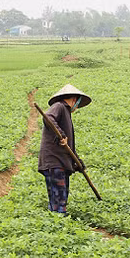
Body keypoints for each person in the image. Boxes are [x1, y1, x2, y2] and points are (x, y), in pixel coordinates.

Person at [38, 84, 92, 214]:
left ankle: (56, 221)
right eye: (77, 103)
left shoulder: (66, 113)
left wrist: (78, 162)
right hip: (54, 161)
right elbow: (48, 118)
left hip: (60, 162)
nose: (77, 107)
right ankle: (57, 223)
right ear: (74, 99)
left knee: (61, 196)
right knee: (58, 198)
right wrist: (61, 134)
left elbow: (68, 146)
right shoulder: (59, 106)